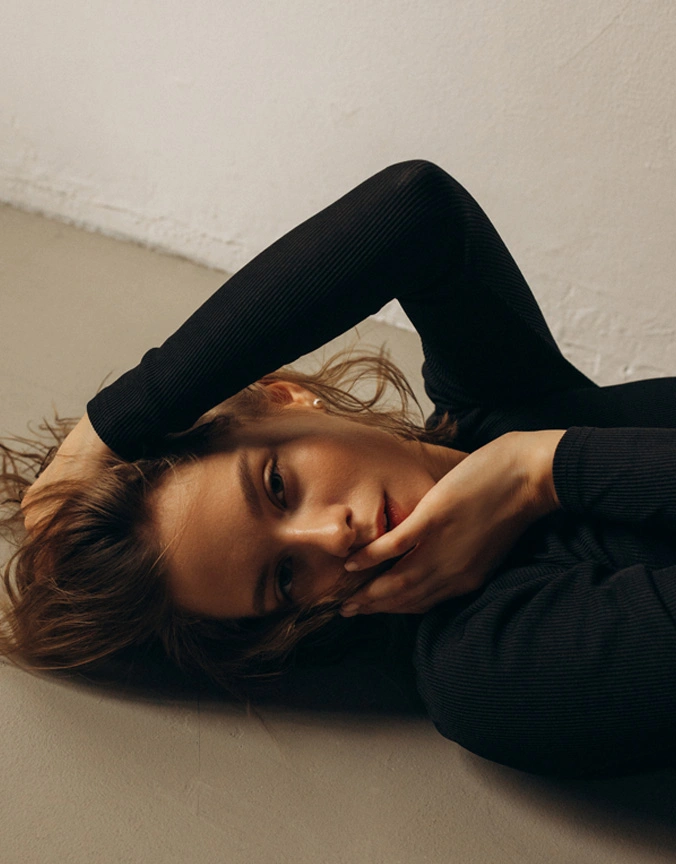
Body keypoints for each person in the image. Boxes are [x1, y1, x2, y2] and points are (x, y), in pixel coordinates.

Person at [3, 160, 676, 778]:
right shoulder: (486, 663)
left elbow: (418, 208)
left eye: (277, 487)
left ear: (285, 396)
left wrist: (114, 421)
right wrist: (542, 471)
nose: (330, 539)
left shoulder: (497, 410)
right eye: (286, 578)